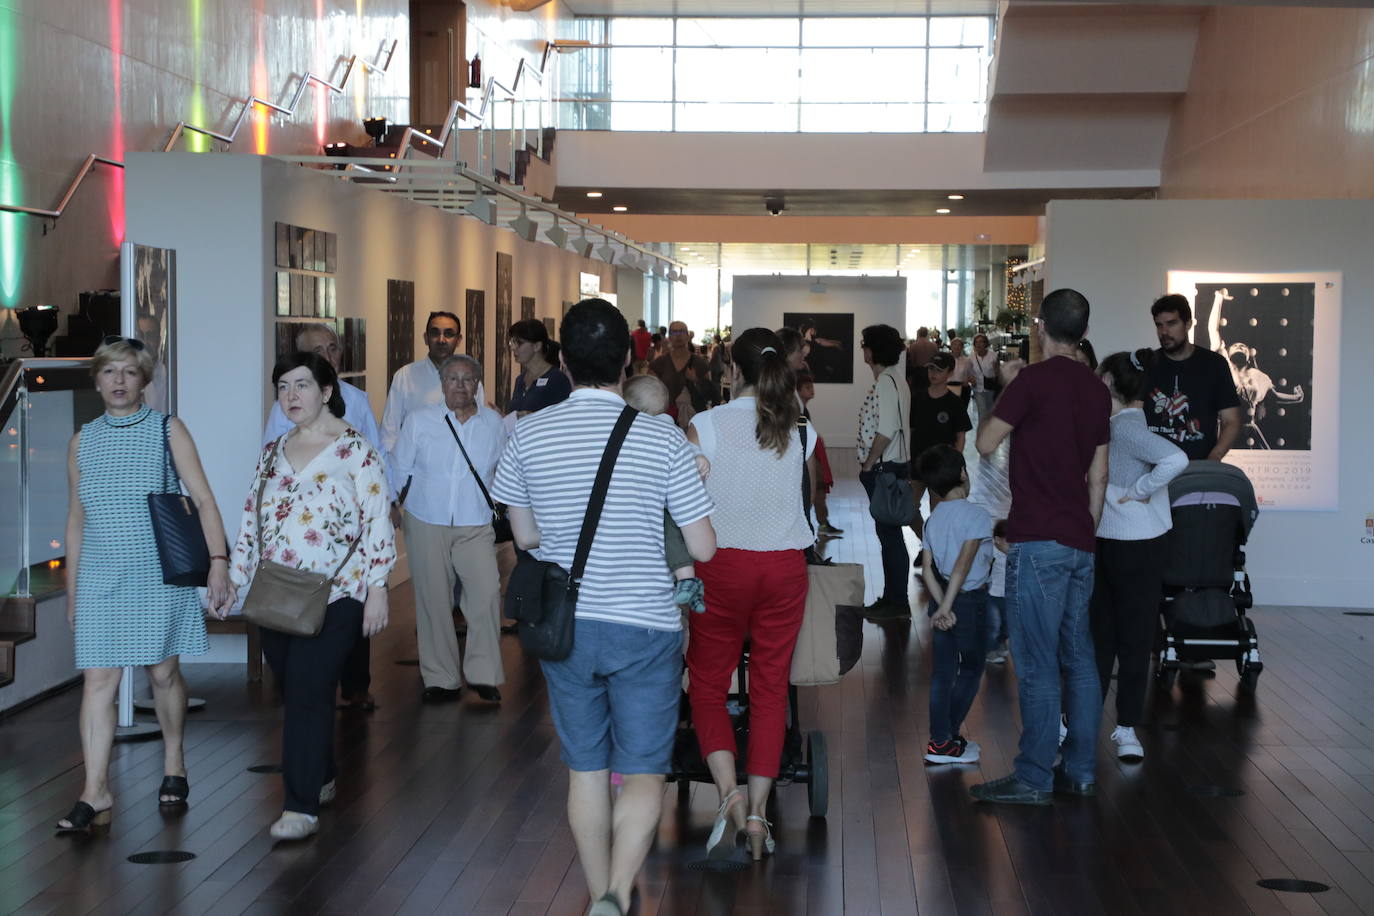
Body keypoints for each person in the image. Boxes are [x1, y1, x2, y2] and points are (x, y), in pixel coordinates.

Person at [491, 299, 716, 916]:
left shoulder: (528, 432)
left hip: (567, 625)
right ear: (628, 360)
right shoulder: (663, 438)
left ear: (562, 360)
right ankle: (619, 889)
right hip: (645, 625)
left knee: (585, 769)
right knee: (643, 770)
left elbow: (527, 537)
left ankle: (598, 896)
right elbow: (702, 545)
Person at [56, 337, 234, 833]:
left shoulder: (166, 430)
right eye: (110, 372)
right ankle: (96, 791)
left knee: (161, 675)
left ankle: (174, 760)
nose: (118, 381)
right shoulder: (81, 440)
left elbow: (203, 499)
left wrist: (218, 561)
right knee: (99, 682)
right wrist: (73, 591)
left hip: (157, 573)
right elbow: (75, 519)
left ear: (143, 380)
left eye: (129, 372)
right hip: (98, 576)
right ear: (96, 380)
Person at [229, 352, 395, 840]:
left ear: (326, 391)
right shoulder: (272, 452)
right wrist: (235, 583)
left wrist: (378, 587)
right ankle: (320, 773)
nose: (291, 396)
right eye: (283, 386)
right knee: (295, 687)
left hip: (338, 593)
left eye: (301, 385)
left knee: (307, 691)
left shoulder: (356, 451)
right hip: (277, 592)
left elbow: (377, 519)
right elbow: (250, 520)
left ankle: (299, 806)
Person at [971, 289, 1110, 806]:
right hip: (1078, 539)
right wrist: (1086, 536)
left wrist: (1005, 394)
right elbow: (1099, 477)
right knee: (1080, 659)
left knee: (1035, 662)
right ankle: (1079, 770)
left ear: (1041, 326)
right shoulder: (1097, 390)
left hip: (1037, 538)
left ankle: (1033, 776)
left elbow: (986, 444)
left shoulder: (1032, 380)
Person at [686, 328, 818, 863]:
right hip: (784, 567)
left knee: (708, 683)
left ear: (730, 371)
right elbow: (807, 495)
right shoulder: (801, 426)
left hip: (721, 565)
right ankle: (762, 813)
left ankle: (728, 795)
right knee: (769, 688)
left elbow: (685, 500)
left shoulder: (705, 426)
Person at [262, 322, 383, 712]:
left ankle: (354, 686)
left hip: (344, 539)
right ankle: (307, 690)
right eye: (318, 349)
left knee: (347, 612)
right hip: (296, 540)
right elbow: (268, 469)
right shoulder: (286, 408)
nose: (328, 355)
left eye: (332, 348)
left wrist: (386, 506)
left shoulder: (357, 400)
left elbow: (374, 455)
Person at [389, 354, 507, 704]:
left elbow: (502, 469)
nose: (459, 385)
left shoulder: (493, 424)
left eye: (467, 379)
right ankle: (441, 678)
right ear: (441, 384)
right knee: (433, 600)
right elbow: (399, 467)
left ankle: (484, 675)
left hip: (475, 521)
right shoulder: (420, 421)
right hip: (427, 519)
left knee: (485, 594)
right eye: (452, 379)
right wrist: (391, 505)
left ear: (478, 384)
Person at [1092, 348, 1187, 761]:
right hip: (1122, 544)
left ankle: (1120, 727)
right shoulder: (1117, 423)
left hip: (1134, 546)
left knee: (1113, 639)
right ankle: (1119, 727)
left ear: (1110, 383)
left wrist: (1139, 491)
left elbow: (1176, 458)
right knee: (1120, 639)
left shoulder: (1126, 426)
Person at [917, 444, 993, 765]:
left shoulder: (933, 520)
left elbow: (927, 568)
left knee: (942, 673)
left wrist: (940, 605)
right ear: (964, 473)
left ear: (932, 487)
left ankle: (940, 741)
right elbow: (964, 565)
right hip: (968, 603)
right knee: (972, 668)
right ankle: (945, 740)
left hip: (943, 602)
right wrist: (949, 607)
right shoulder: (977, 515)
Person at [621, 373, 709, 612]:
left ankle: (687, 579)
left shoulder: (647, 428)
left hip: (652, 504)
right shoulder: (669, 428)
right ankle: (689, 582)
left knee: (671, 533)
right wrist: (699, 457)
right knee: (675, 534)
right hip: (663, 501)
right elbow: (688, 448)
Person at [1144, 293, 1242, 461]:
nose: (1164, 332)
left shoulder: (1214, 364)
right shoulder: (1147, 365)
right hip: (1152, 471)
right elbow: (1130, 418)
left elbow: (1231, 421)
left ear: (1188, 324)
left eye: (1171, 323)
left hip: (1198, 468)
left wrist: (1214, 459)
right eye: (1159, 325)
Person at [857, 323, 912, 619]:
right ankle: (893, 599)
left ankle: (897, 602)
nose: (862, 350)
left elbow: (887, 430)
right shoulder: (894, 380)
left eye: (865, 344)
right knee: (889, 536)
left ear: (873, 350)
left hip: (884, 467)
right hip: (893, 465)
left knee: (889, 537)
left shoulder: (886, 382)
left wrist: (868, 464)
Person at [1206, 288, 1305, 449]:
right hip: (1225, 431)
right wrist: (1218, 299)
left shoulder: (1259, 376)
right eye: (1236, 345)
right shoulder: (1223, 365)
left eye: (1243, 346)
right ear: (1228, 351)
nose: (1239, 346)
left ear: (1249, 356)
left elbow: (1273, 396)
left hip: (1250, 430)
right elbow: (1213, 330)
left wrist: (1297, 398)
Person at [908, 351, 973, 541]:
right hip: (918, 464)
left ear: (950, 373)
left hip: (941, 469)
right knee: (908, 510)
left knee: (938, 515)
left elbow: (961, 436)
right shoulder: (917, 399)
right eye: (930, 369)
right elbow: (910, 431)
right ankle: (927, 542)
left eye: (938, 370)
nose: (933, 373)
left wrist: (953, 464)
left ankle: (934, 553)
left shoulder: (954, 403)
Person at [380, 311, 462, 455]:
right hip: (415, 471)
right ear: (426, 338)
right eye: (435, 333)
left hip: (458, 470)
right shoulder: (404, 377)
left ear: (459, 340)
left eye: (449, 334)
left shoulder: (470, 382)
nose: (441, 340)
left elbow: (476, 431)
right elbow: (389, 434)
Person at [797, 370, 841, 536]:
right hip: (805, 456)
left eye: (811, 387)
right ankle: (819, 523)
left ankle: (821, 523)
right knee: (816, 487)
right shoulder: (799, 410)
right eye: (807, 387)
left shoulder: (803, 410)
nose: (812, 390)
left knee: (817, 488)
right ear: (799, 390)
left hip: (808, 453)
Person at [650, 320, 714, 428]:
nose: (678, 335)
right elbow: (650, 390)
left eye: (682, 331)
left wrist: (696, 380)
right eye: (674, 332)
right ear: (669, 337)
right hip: (666, 419)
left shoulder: (700, 362)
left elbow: (711, 392)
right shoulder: (659, 362)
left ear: (688, 336)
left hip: (694, 420)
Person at [508, 318, 572, 418]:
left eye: (519, 343)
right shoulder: (520, 380)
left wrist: (533, 417)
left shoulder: (557, 379)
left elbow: (564, 417)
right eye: (512, 342)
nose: (513, 348)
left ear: (537, 346)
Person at [984, 519, 1011, 664]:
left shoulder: (1014, 553)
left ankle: (1001, 642)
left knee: (1007, 624)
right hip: (992, 594)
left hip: (1008, 594)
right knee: (993, 624)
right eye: (1009, 543)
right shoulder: (991, 552)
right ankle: (990, 650)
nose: (1012, 546)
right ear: (998, 540)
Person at [968, 333, 1001, 424]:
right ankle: (982, 434)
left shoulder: (993, 355)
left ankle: (990, 432)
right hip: (978, 388)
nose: (979, 344)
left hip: (990, 388)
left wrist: (996, 371)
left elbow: (998, 373)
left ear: (985, 343)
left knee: (991, 411)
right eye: (977, 342)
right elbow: (968, 372)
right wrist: (971, 379)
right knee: (982, 411)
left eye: (981, 342)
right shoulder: (971, 357)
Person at [948, 337, 974, 408]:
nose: (957, 347)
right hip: (949, 388)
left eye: (959, 345)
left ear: (962, 347)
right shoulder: (947, 359)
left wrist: (970, 380)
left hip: (963, 389)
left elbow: (970, 374)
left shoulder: (967, 360)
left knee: (962, 412)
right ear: (951, 346)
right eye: (954, 345)